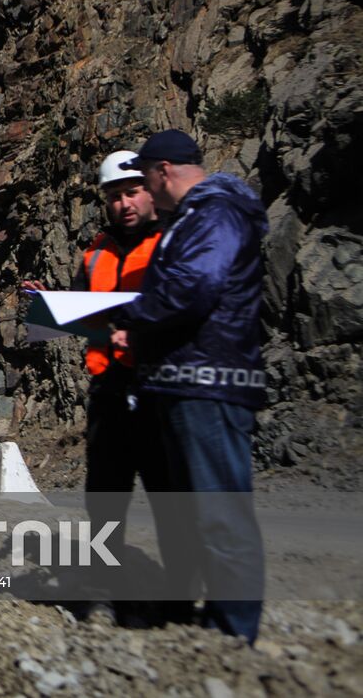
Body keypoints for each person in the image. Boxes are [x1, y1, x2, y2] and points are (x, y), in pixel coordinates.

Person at [108, 129, 268, 643]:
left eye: (146, 183)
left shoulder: (215, 212)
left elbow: (195, 287)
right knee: (197, 512)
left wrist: (132, 313)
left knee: (220, 513)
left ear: (161, 172)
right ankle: (210, 622)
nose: (147, 197)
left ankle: (233, 633)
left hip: (208, 380)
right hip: (185, 381)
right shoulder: (200, 217)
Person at [22, 150, 165, 621]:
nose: (124, 204)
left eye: (131, 193)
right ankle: (107, 591)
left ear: (149, 192)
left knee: (171, 496)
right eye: (114, 196)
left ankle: (177, 599)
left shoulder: (171, 244)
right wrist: (50, 306)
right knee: (105, 497)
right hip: (108, 389)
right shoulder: (96, 253)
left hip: (160, 388)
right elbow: (88, 316)